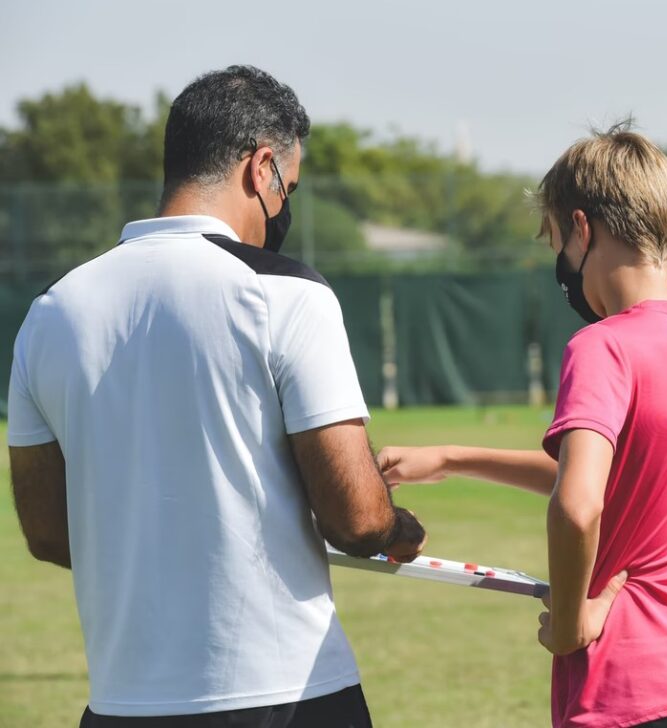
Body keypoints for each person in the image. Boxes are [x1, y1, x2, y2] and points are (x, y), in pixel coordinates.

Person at [7, 65, 425, 727]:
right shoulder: (287, 293)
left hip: (121, 704)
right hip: (287, 695)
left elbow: (50, 535)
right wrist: (397, 527)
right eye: (290, 185)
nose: (285, 204)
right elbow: (357, 520)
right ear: (262, 168)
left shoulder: (50, 313)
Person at [378, 124, 667, 727]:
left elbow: (579, 506)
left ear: (582, 229)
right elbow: (621, 478)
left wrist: (574, 619)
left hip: (629, 690)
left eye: (555, 239)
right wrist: (450, 458)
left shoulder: (603, 346)